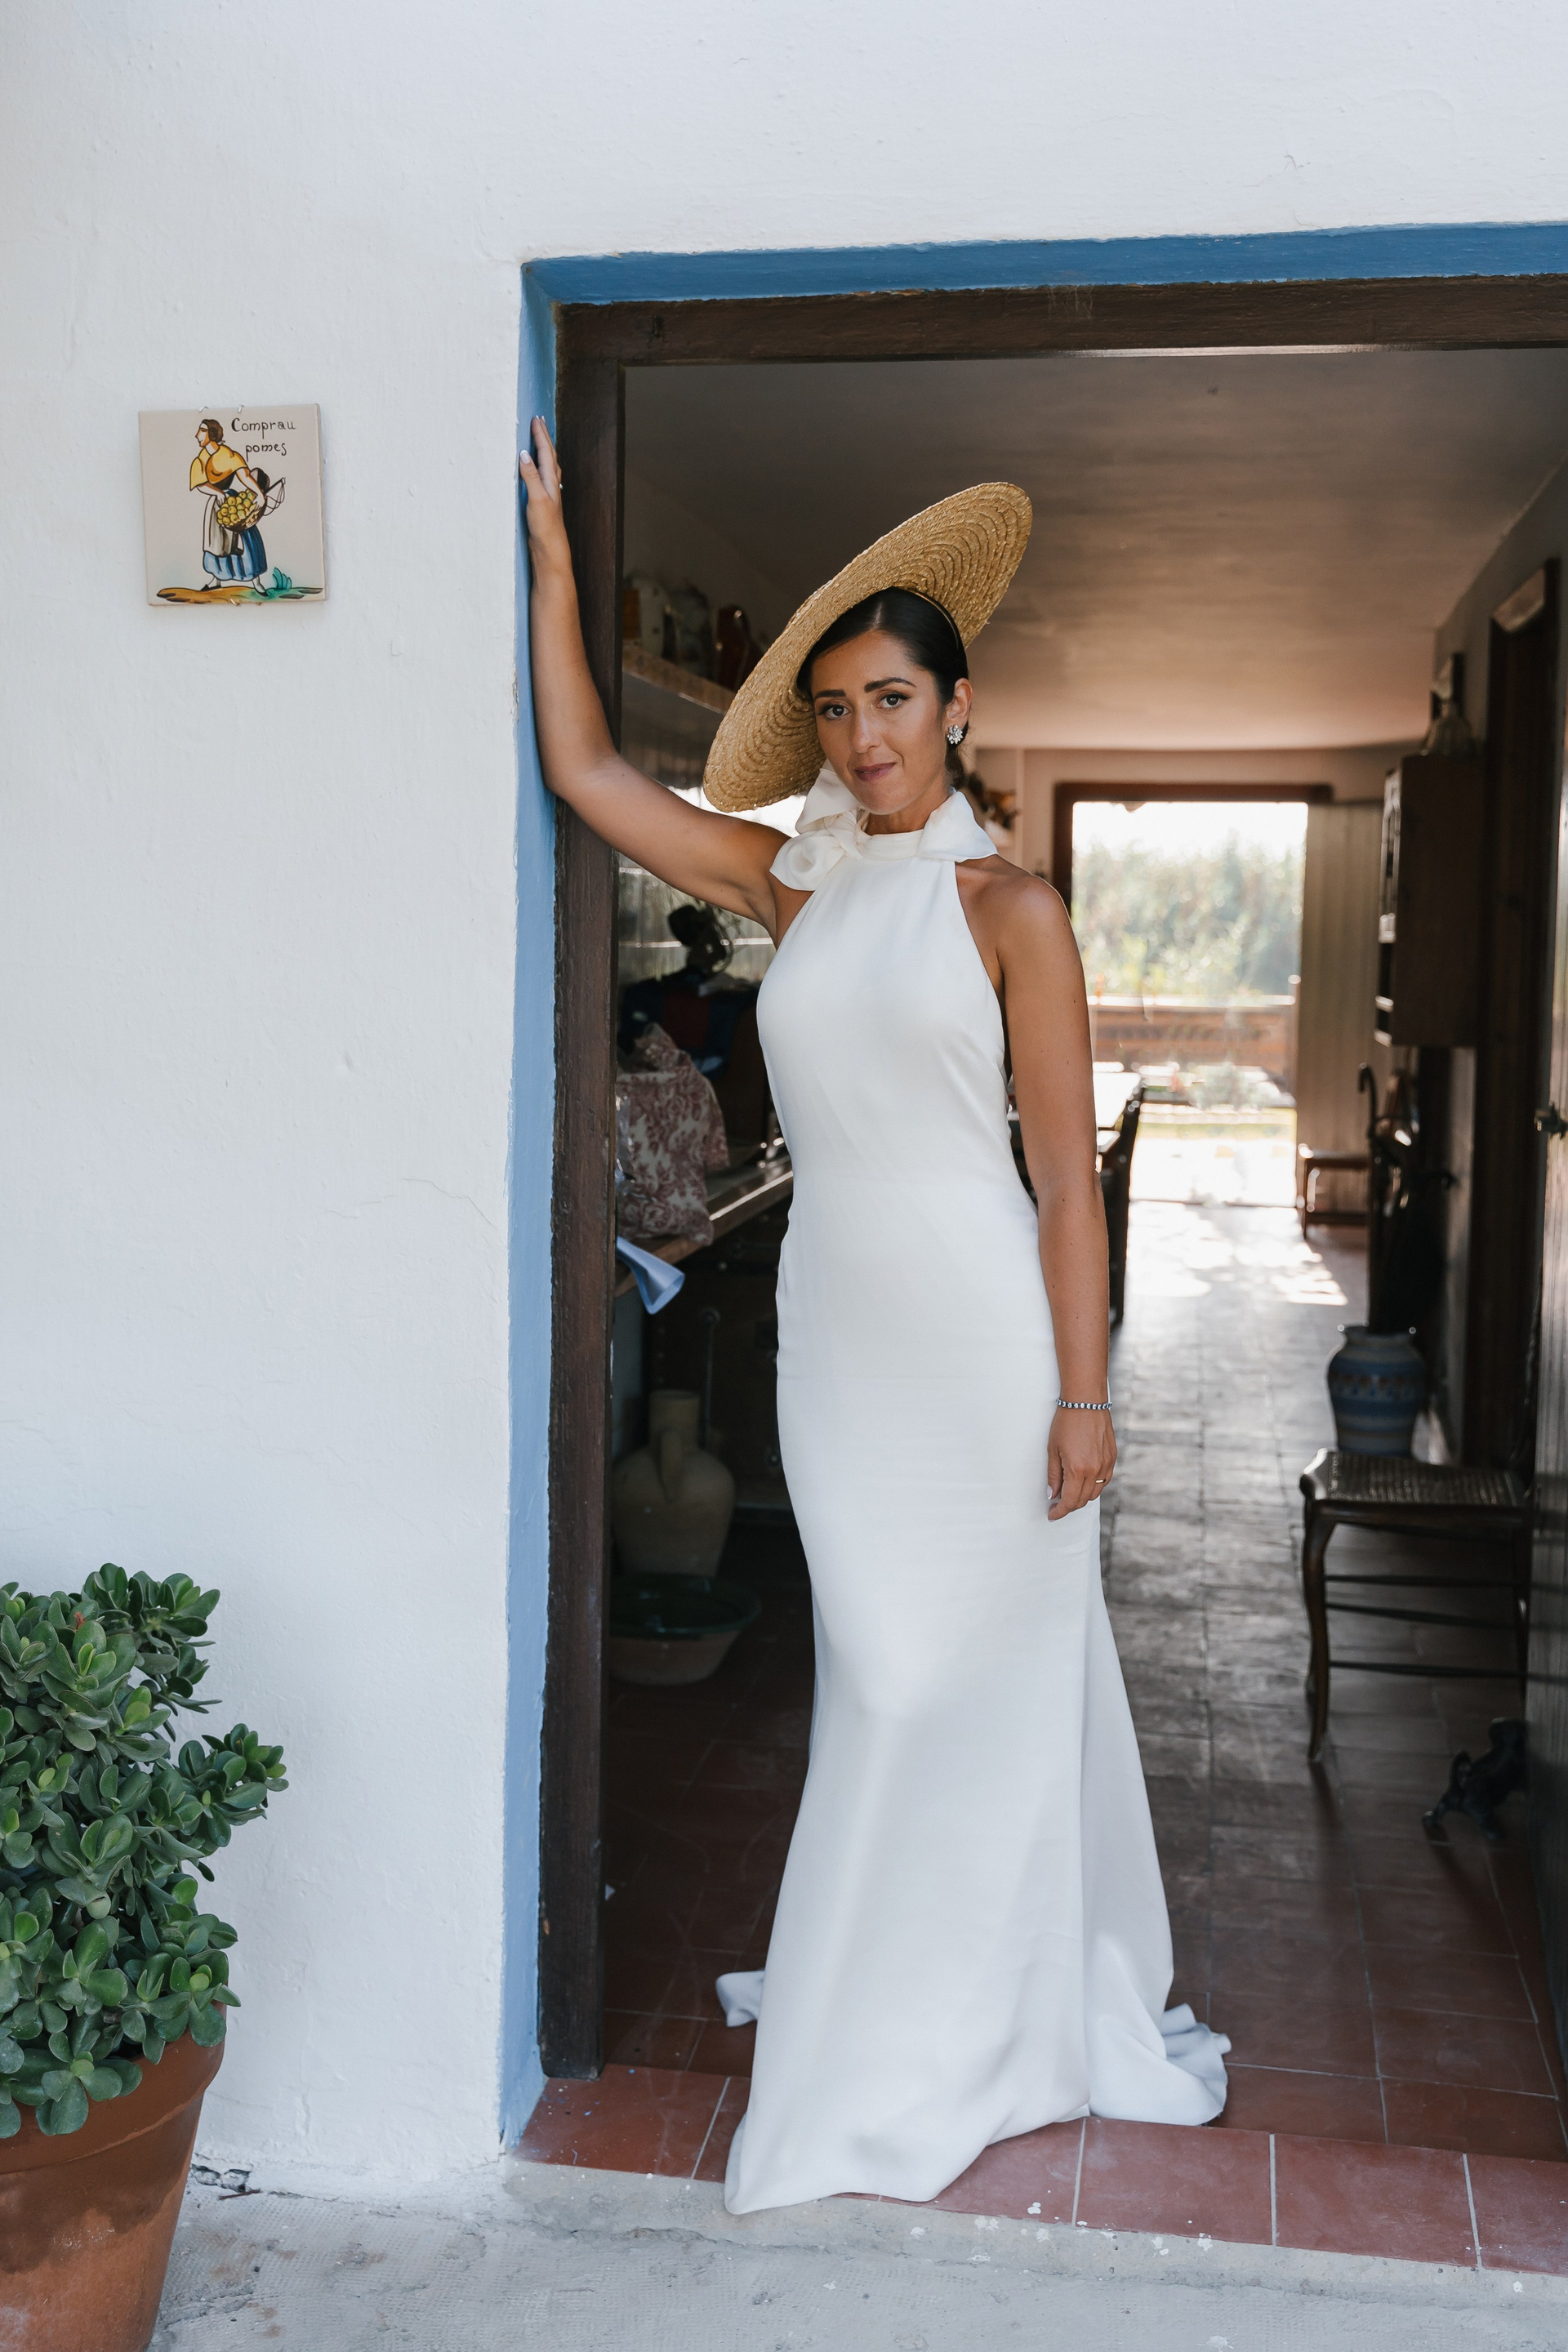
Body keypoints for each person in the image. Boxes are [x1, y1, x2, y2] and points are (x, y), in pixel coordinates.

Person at [519, 418, 1228, 2216]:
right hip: (839, 1345)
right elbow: (590, 774)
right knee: (885, 1679)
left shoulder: (1016, 910)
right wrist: (552, 569)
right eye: (835, 710)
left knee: (957, 1685)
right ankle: (898, 1994)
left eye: (892, 700)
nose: (863, 738)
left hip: (988, 1346)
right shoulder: (797, 882)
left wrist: (1086, 1395)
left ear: (958, 707)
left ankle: (960, 2020)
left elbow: (1066, 1186)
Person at [189, 420, 277, 590]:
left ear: (212, 434)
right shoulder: (200, 461)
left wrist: (260, 494)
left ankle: (256, 582)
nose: (197, 435)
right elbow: (200, 485)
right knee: (216, 544)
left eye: (202, 430)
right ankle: (216, 581)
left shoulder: (228, 455)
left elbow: (245, 477)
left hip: (233, 503)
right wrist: (218, 493)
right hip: (216, 505)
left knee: (245, 540)